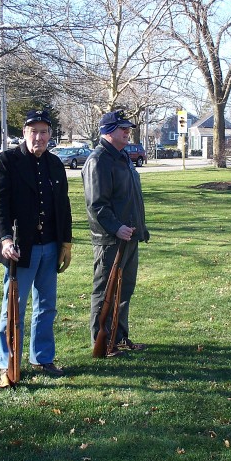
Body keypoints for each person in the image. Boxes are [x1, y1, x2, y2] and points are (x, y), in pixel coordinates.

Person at [0, 109, 73, 387]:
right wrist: (5, 239)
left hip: (49, 246)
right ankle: (8, 364)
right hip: (20, 248)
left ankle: (42, 358)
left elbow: (64, 206)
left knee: (46, 307)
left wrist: (66, 243)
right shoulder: (6, 161)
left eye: (44, 132)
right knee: (13, 308)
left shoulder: (56, 165)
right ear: (24, 133)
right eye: (33, 131)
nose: (39, 137)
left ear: (50, 134)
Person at [82, 109, 150, 355]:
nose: (127, 132)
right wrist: (116, 227)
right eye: (123, 128)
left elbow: (130, 198)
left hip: (129, 237)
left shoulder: (123, 157)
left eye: (128, 128)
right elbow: (97, 205)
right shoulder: (99, 160)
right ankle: (101, 342)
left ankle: (119, 338)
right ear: (108, 131)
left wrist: (140, 228)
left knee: (124, 291)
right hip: (110, 240)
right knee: (105, 292)